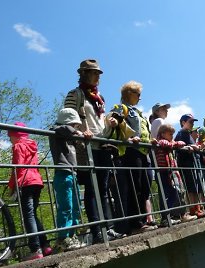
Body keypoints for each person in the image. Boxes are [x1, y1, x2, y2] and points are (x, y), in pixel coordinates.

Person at [63, 59, 124, 243]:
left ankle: (109, 227)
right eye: (94, 72)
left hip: (102, 145)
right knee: (91, 189)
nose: (98, 76)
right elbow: (68, 119)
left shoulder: (100, 98)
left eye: (98, 73)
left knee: (103, 189)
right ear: (84, 74)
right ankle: (97, 230)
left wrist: (110, 122)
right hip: (86, 147)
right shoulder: (75, 94)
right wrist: (81, 131)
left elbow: (99, 121)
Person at [109, 81, 156, 234]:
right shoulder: (121, 108)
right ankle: (136, 224)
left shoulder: (138, 111)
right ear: (129, 93)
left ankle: (141, 220)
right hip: (130, 152)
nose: (140, 98)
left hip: (143, 152)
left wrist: (150, 140)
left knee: (143, 187)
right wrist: (114, 121)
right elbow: (113, 118)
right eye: (138, 94)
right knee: (134, 187)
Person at [8, 122, 52, 260]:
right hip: (37, 181)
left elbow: (18, 167)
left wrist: (11, 185)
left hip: (25, 182)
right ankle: (45, 245)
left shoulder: (18, 146)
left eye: (10, 137)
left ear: (15, 135)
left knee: (28, 216)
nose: (10, 140)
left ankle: (35, 249)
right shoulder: (32, 146)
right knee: (33, 214)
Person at [49, 108, 86, 252]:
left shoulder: (68, 135)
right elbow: (61, 128)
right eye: (75, 125)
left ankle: (72, 235)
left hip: (72, 173)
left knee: (76, 207)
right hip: (63, 173)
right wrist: (76, 131)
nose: (76, 128)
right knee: (66, 207)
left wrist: (80, 135)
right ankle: (63, 238)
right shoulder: (56, 130)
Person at [152, 124, 197, 226]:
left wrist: (176, 143)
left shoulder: (168, 141)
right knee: (167, 194)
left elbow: (172, 143)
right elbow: (165, 144)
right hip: (164, 172)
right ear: (163, 134)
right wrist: (177, 143)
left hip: (170, 171)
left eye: (173, 134)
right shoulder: (161, 141)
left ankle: (174, 215)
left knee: (175, 192)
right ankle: (166, 217)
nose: (172, 136)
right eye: (170, 134)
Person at [175, 114, 205, 218]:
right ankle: (193, 209)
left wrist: (197, 147)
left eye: (193, 122)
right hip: (186, 163)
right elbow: (178, 145)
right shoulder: (181, 133)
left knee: (196, 185)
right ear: (183, 122)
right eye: (190, 122)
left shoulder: (188, 134)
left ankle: (198, 208)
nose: (192, 124)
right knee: (191, 187)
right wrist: (189, 146)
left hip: (193, 162)